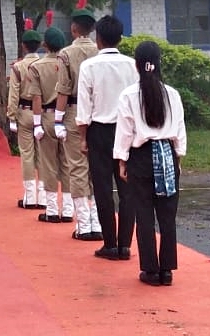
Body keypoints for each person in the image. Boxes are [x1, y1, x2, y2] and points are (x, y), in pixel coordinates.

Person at [114, 40, 187, 287]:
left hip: (141, 157)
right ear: (158, 64)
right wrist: (178, 157)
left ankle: (150, 270)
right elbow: (179, 131)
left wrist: (122, 160)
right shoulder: (173, 94)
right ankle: (167, 270)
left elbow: (124, 132)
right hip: (166, 154)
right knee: (167, 215)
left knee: (144, 214)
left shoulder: (129, 95)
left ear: (136, 65)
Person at [76, 14, 139, 262]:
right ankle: (125, 245)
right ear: (121, 39)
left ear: (97, 38)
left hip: (99, 132)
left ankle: (110, 244)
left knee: (102, 188)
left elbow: (84, 108)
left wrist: (83, 139)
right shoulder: (132, 65)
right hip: (127, 131)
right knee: (127, 189)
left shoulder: (89, 66)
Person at [53, 0, 101, 241]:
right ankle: (99, 222)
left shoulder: (66, 54)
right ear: (93, 29)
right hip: (99, 113)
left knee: (78, 167)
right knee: (97, 169)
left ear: (73, 28)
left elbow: (63, 88)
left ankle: (84, 224)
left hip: (74, 112)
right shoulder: (100, 51)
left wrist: (58, 119)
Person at [28, 16, 73, 223]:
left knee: (48, 163)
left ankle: (53, 210)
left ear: (44, 44)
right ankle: (69, 209)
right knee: (67, 163)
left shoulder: (36, 67)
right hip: (67, 116)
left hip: (46, 116)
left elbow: (36, 97)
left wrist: (36, 123)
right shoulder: (68, 62)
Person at [6, 22, 44, 209]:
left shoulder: (18, 67)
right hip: (44, 112)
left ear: (23, 45)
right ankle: (45, 196)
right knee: (44, 156)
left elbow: (13, 93)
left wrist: (11, 116)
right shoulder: (47, 65)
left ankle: (30, 196)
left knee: (27, 154)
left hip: (24, 111)